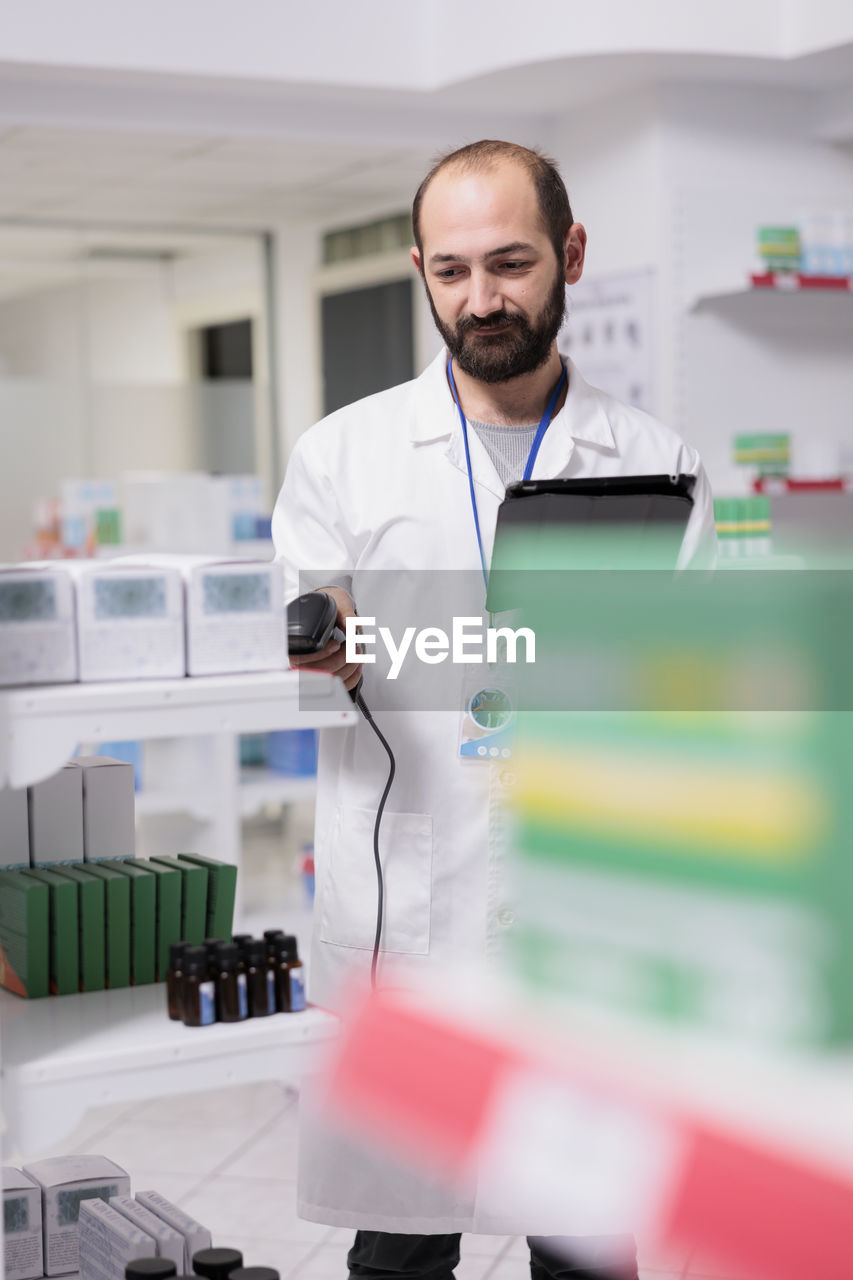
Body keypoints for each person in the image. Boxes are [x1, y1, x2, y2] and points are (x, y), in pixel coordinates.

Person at [273, 140, 717, 1280]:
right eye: (453, 269)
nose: (481, 299)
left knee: (585, 1241)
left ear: (569, 253)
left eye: (511, 263)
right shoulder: (345, 456)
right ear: (420, 268)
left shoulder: (655, 461)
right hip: (414, 907)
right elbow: (297, 631)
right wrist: (322, 638)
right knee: (403, 1241)